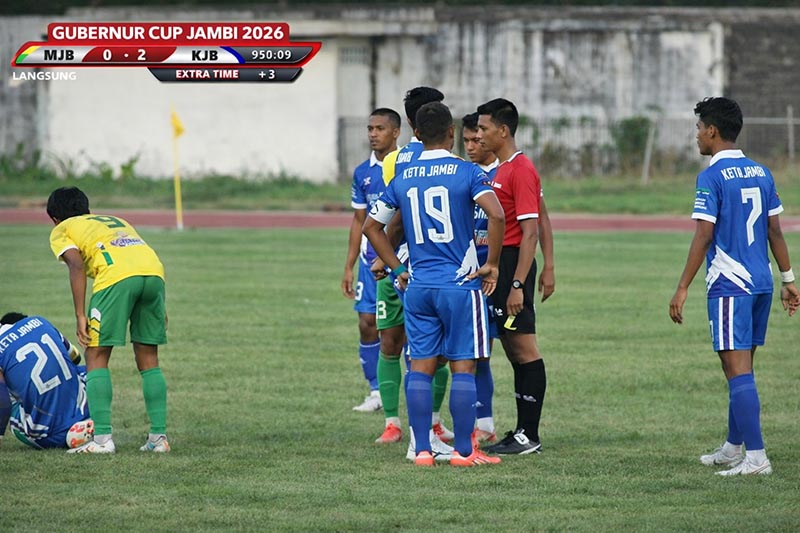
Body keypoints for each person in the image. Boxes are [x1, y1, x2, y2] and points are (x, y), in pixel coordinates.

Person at [363, 101, 506, 466]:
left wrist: (396, 269)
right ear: (451, 132)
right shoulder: (466, 171)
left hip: (419, 286)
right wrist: (490, 264)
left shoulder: (404, 175)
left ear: (416, 134)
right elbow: (496, 213)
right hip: (459, 284)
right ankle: (463, 451)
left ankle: (423, 450)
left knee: (421, 367)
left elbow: (372, 228)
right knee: (463, 366)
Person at [669, 96, 800, 476]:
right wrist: (788, 280)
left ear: (712, 131)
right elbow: (775, 230)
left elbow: (703, 236)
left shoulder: (710, 176)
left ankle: (756, 458)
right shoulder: (762, 172)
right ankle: (733, 447)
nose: (696, 136)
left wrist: (682, 288)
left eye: (698, 129)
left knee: (736, 367)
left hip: (731, 283)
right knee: (741, 367)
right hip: (760, 282)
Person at [47, 186, 170, 454]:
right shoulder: (117, 221)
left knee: (96, 354)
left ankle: (102, 440)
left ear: (55, 219)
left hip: (115, 278)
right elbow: (141, 257)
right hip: (154, 275)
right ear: (88, 210)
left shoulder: (62, 229)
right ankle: (158, 439)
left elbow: (76, 264)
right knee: (148, 356)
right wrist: (162, 305)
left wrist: (80, 314)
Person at [373, 87, 456, 453]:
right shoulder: (398, 161)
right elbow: (396, 214)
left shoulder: (449, 160)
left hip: (416, 265)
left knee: (422, 349)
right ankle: (394, 422)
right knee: (399, 344)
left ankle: (430, 424)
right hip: (409, 263)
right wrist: (387, 254)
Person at [475, 98, 555, 455]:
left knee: (524, 349)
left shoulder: (520, 169)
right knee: (512, 349)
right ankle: (522, 431)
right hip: (503, 266)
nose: (479, 134)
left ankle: (529, 435)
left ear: (503, 131)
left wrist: (519, 284)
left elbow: (531, 232)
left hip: (512, 267)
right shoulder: (501, 170)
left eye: (483, 128)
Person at [342, 108, 401, 412]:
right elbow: (358, 220)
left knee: (403, 328)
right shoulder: (362, 172)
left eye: (379, 128)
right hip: (369, 260)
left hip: (401, 259)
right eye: (370, 128)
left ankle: (407, 387)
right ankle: (376, 391)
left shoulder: (405, 165)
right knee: (367, 324)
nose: (372, 134)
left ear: (395, 133)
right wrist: (349, 265)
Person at [0, 312, 94, 450]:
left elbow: (3, 401)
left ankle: (62, 434)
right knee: (87, 371)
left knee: (8, 391)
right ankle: (85, 418)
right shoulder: (39, 321)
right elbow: (75, 357)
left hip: (47, 431)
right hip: (85, 408)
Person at [462, 112, 500, 444]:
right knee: (474, 352)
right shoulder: (463, 174)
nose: (472, 146)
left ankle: (486, 421)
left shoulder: (505, 172)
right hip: (469, 276)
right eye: (467, 140)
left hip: (497, 274)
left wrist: (549, 266)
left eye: (477, 139)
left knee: (492, 351)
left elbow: (538, 220)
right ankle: (481, 422)